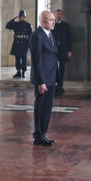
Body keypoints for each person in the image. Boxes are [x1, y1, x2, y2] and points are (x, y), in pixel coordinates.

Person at [29, 10, 59, 146]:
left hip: (51, 77)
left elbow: (53, 58)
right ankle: (38, 135)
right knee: (41, 107)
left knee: (47, 107)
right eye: (51, 20)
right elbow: (36, 61)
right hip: (43, 79)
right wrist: (41, 81)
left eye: (53, 19)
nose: (54, 22)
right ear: (42, 21)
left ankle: (43, 133)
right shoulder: (37, 36)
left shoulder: (50, 34)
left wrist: (56, 77)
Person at [5, 10, 33, 78]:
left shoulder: (28, 25)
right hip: (17, 43)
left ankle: (23, 72)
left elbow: (30, 35)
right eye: (20, 16)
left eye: (22, 16)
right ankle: (18, 72)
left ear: (25, 17)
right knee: (17, 59)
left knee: (24, 59)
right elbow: (7, 25)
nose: (21, 18)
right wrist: (14, 18)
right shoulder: (15, 24)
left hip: (24, 43)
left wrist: (29, 45)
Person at [52, 9, 72, 94]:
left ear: (62, 15)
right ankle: (54, 85)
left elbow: (69, 39)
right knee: (54, 68)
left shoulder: (66, 25)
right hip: (54, 50)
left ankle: (60, 86)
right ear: (55, 15)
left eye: (60, 14)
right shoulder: (52, 25)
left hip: (63, 50)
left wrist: (70, 50)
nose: (58, 16)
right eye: (57, 14)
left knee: (62, 69)